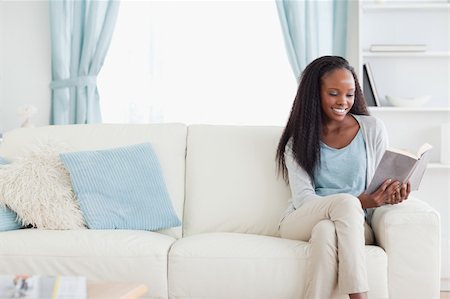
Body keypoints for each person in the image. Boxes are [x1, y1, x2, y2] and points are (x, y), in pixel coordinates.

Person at [276, 56, 410, 299]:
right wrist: (361, 201)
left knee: (326, 231)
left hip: (357, 224)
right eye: (334, 93)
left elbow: (379, 182)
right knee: (346, 204)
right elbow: (304, 199)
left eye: (349, 94)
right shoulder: (298, 140)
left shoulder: (372, 129)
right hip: (301, 219)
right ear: (315, 94)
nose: (343, 102)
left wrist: (393, 192)